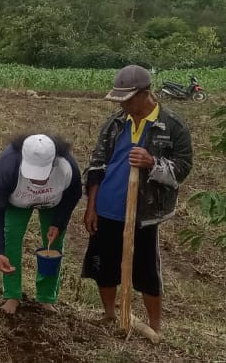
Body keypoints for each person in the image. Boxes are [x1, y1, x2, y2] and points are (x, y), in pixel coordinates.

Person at [81, 65, 193, 339]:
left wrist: (152, 162)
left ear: (146, 94)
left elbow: (183, 167)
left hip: (144, 212)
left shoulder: (172, 126)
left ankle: (154, 326)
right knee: (104, 265)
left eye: (128, 99)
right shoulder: (115, 124)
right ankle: (109, 313)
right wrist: (92, 206)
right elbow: (96, 166)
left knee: (146, 271)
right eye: (120, 99)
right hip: (108, 207)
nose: (124, 104)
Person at [0, 134, 82, 315]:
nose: (37, 181)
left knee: (53, 245)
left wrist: (58, 222)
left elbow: (73, 195)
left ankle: (46, 298)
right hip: (18, 202)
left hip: (53, 203)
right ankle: (12, 295)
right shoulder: (8, 167)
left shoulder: (67, 167)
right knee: (11, 239)